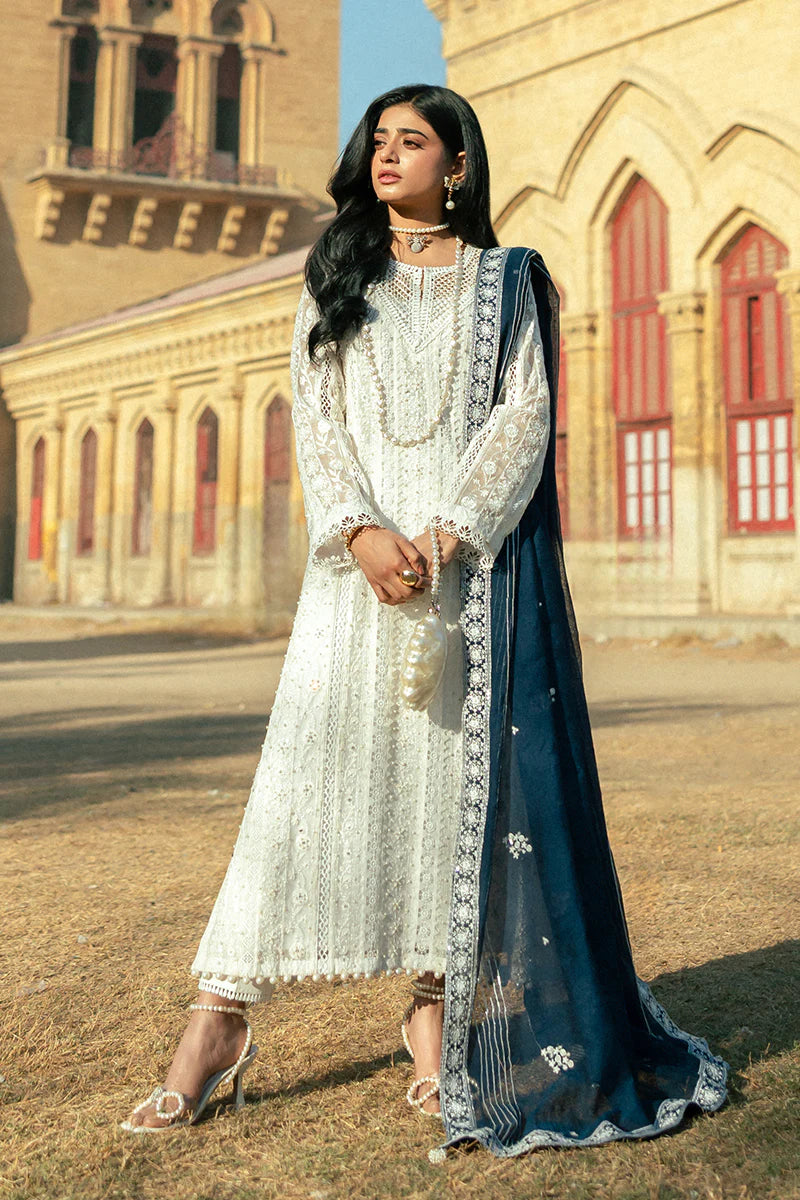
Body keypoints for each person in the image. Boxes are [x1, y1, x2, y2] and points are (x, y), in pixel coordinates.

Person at [121, 84, 729, 1158]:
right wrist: (358, 532)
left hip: (463, 572)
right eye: (378, 140)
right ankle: (216, 1022)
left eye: (412, 141)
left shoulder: (510, 280)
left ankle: (430, 1020)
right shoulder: (335, 275)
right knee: (300, 794)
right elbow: (318, 418)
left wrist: (444, 536)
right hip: (352, 574)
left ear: (457, 165)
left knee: (449, 796)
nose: (388, 154)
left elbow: (524, 414)